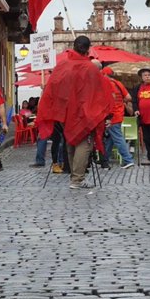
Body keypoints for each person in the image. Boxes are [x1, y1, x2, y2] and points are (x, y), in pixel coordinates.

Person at [35, 36, 113, 190]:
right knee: (83, 144)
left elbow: (54, 86)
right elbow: (100, 90)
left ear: (74, 46)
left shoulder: (63, 65)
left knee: (71, 141)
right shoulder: (90, 68)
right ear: (88, 48)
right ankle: (77, 178)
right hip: (84, 111)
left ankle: (75, 176)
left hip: (66, 111)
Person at [101, 67, 136, 169]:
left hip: (111, 115)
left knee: (118, 138)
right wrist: (121, 103)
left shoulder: (107, 83)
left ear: (105, 75)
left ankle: (128, 159)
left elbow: (109, 99)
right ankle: (104, 159)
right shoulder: (118, 83)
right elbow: (129, 97)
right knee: (111, 138)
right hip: (119, 113)